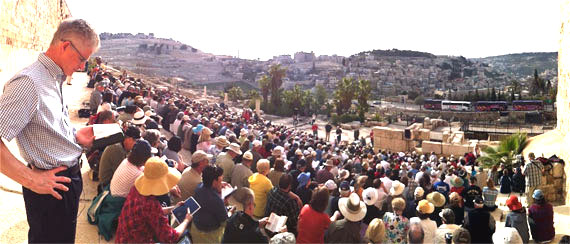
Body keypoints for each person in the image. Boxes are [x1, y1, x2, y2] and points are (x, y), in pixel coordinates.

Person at [0, 19, 99, 243]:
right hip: (50, 189)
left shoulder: (55, 77)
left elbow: (46, 124)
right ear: (65, 46)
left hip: (63, 184)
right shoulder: (29, 83)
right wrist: (31, 180)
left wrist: (74, 135)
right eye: (82, 58)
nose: (83, 66)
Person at [115, 157, 190, 243]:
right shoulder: (150, 203)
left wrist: (172, 209)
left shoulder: (136, 189)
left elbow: (151, 212)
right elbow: (170, 237)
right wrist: (186, 220)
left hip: (122, 237)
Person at [191, 165, 228, 243]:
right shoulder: (217, 200)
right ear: (214, 181)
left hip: (196, 226)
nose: (222, 180)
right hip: (210, 233)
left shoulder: (199, 187)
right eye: (220, 179)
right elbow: (224, 220)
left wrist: (219, 185)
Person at [98, 125, 140, 191]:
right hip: (106, 185)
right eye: (135, 141)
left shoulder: (124, 147)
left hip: (112, 181)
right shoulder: (116, 149)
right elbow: (122, 175)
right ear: (129, 139)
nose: (136, 145)